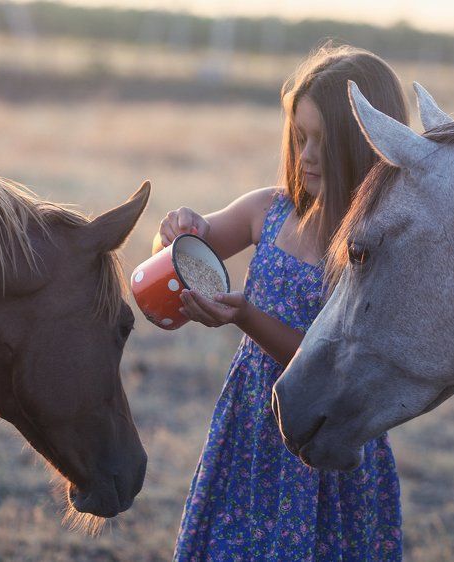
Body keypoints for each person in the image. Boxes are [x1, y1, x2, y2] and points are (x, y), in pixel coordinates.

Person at [161, 43, 408, 561]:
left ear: (368, 142)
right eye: (300, 137)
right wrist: (175, 233)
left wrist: (248, 317)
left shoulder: (375, 246)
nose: (307, 156)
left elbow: (336, 367)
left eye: (325, 140)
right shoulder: (268, 211)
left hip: (325, 440)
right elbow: (178, 257)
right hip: (252, 429)